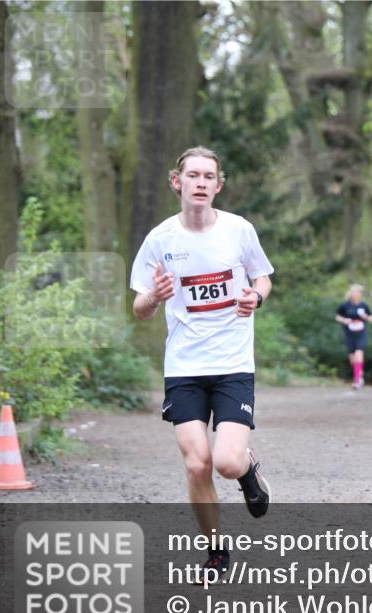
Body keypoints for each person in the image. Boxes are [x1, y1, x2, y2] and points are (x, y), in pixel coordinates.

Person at [130, 146, 274, 581]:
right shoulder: (160, 239)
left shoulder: (238, 230)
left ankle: (248, 471)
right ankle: (216, 550)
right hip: (184, 366)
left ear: (218, 185)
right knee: (197, 464)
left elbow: (262, 277)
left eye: (208, 176)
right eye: (192, 175)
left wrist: (257, 296)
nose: (200, 182)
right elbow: (140, 307)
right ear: (178, 182)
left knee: (227, 462)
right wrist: (154, 296)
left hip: (232, 362)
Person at [335, 284, 372, 390]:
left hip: (361, 334)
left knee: (359, 353)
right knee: (352, 359)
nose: (355, 294)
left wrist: (365, 317)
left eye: (357, 292)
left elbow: (371, 319)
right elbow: (337, 316)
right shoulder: (345, 306)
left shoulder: (364, 306)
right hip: (349, 334)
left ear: (360, 294)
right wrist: (344, 320)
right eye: (353, 292)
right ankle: (359, 374)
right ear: (350, 294)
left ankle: (357, 381)